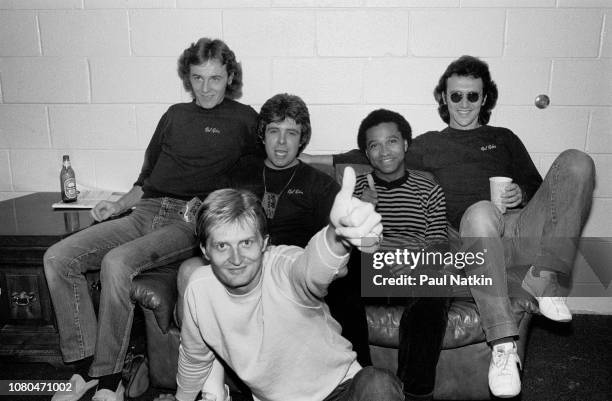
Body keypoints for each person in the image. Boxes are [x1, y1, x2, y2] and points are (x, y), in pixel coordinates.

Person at [304, 55, 596, 398]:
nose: (464, 104)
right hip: (466, 240)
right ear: (444, 97)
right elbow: (374, 152)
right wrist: (307, 159)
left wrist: (522, 193)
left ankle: (546, 281)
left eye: (473, 96)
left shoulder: (505, 139)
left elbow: (542, 191)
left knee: (578, 161)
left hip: (511, 231)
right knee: (480, 213)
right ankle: (504, 346)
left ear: (484, 98)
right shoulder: (429, 144)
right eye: (456, 95)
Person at [43, 38, 259, 401]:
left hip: (189, 219)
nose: (205, 88)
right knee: (58, 258)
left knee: (117, 263)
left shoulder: (244, 120)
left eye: (215, 78)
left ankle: (111, 380)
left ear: (230, 77)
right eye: (197, 78)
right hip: (145, 210)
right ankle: (84, 372)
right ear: (187, 78)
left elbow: (252, 185)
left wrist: (217, 215)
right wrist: (117, 205)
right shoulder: (174, 115)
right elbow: (146, 178)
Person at [159, 168, 405, 401]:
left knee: (378, 383)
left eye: (246, 243)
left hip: (341, 389)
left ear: (264, 243)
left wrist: (337, 236)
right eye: (222, 246)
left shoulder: (282, 265)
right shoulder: (199, 290)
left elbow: (312, 269)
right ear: (205, 250)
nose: (236, 259)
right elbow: (195, 359)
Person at [177, 93, 372, 368]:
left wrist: (361, 229)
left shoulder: (318, 184)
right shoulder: (240, 172)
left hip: (291, 273)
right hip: (243, 263)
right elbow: (211, 222)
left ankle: (360, 374)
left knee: (347, 278)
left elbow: (349, 239)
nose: (281, 142)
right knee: (188, 270)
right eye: (274, 131)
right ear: (263, 135)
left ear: (302, 139)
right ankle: (207, 373)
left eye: (291, 133)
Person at [351, 109, 449, 401]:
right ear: (367, 154)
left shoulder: (428, 187)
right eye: (374, 145)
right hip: (371, 272)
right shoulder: (357, 188)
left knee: (435, 284)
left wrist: (415, 264)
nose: (384, 151)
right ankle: (361, 380)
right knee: (342, 276)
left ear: (405, 144)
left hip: (415, 275)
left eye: (392, 141)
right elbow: (345, 246)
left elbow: (439, 246)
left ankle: (416, 393)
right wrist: (362, 210)